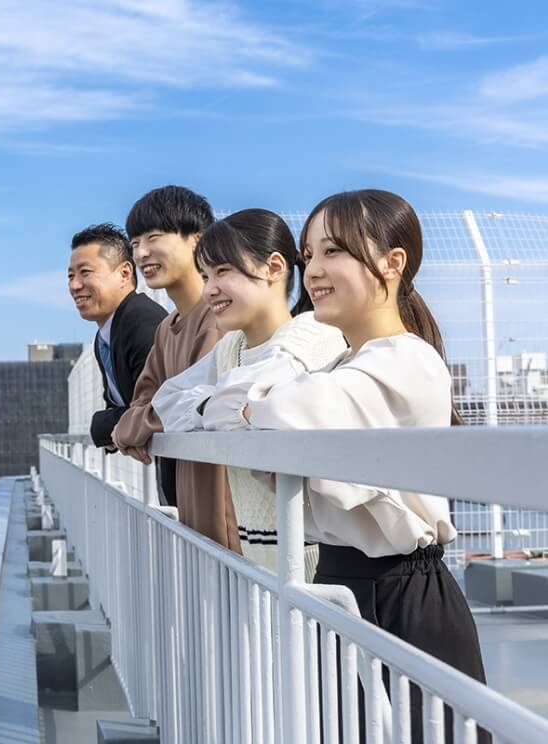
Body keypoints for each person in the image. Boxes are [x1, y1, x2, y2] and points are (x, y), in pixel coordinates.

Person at [202, 189, 487, 743]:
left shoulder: (407, 360)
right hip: (344, 582)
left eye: (334, 251)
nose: (315, 271)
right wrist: (256, 408)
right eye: (310, 255)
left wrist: (254, 407)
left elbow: (282, 409)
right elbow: (220, 408)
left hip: (404, 592)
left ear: (392, 262)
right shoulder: (341, 363)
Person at [151, 209, 345, 574]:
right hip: (256, 558)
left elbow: (250, 395)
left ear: (274, 268)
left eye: (223, 272)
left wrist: (214, 404)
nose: (209, 289)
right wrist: (217, 405)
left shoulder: (314, 334)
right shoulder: (231, 348)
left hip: (311, 563)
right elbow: (166, 401)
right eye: (205, 275)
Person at [112, 185, 240, 550]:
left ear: (197, 241)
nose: (141, 252)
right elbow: (145, 400)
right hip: (188, 497)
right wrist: (134, 424)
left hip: (223, 501)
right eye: (135, 243)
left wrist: (130, 429)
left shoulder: (219, 316)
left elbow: (185, 404)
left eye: (154, 237)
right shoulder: (169, 327)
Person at [68, 223, 168, 451]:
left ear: (124, 273)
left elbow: (158, 409)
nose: (74, 285)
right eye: (71, 275)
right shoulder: (105, 335)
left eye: (85, 272)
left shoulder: (142, 322)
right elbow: (121, 410)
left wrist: (100, 427)